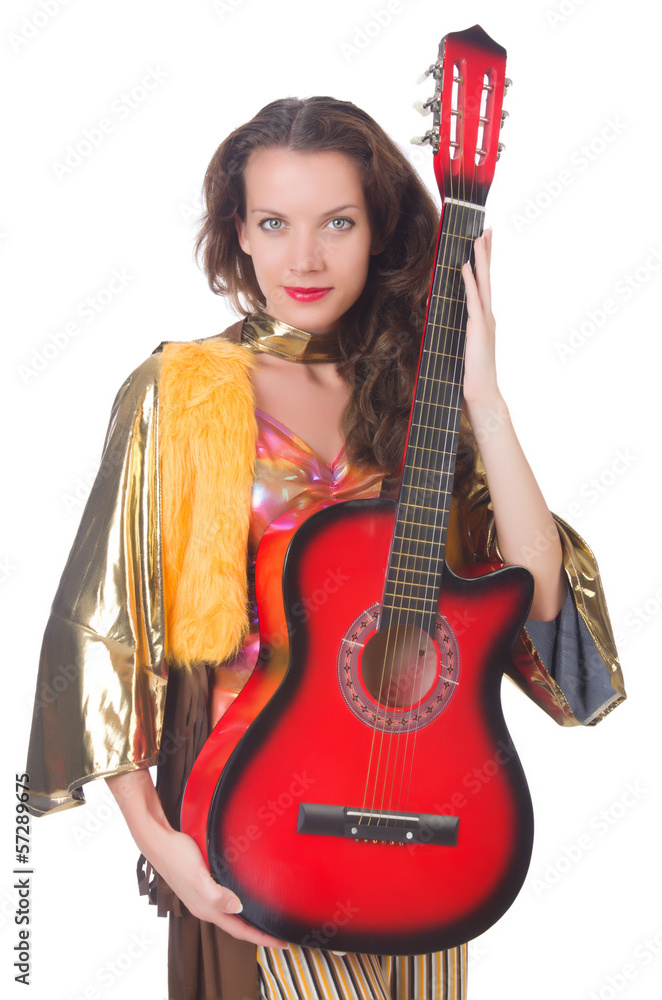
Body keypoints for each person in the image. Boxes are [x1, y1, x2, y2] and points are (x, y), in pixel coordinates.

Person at [26, 96, 625, 1000]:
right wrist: (160, 844)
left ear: (379, 230)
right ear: (241, 233)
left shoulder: (426, 400)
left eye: (336, 223)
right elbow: (102, 624)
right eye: (275, 223)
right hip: (261, 817)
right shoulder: (180, 391)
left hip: (426, 811)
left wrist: (485, 403)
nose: (304, 258)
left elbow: (534, 605)